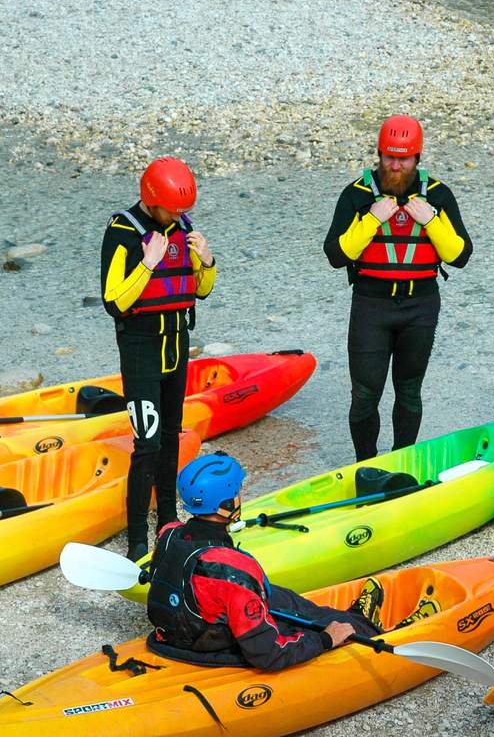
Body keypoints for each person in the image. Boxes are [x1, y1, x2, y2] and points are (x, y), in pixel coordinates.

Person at [145, 453, 422, 670]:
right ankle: (389, 633)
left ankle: (356, 618)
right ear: (226, 505)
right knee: (319, 624)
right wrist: (326, 639)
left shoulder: (169, 533)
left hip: (183, 629)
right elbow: (269, 653)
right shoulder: (234, 570)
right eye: (238, 490)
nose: (241, 494)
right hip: (213, 644)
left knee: (288, 599)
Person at [323, 115, 473, 462]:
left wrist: (431, 220)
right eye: (389, 157)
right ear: (379, 154)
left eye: (403, 159)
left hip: (420, 306)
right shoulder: (357, 195)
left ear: (417, 157)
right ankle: (366, 465)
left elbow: (460, 256)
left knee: (409, 391)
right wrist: (372, 219)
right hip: (371, 306)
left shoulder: (438, 195)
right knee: (364, 395)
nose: (395, 166)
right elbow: (335, 255)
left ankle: (401, 460)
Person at [100, 156, 217, 560]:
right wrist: (148, 264)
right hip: (141, 351)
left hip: (176, 346)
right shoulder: (122, 232)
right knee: (147, 444)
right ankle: (137, 539)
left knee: (171, 437)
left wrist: (207, 261)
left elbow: (202, 290)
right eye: (172, 209)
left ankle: (168, 519)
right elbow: (114, 301)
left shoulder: (181, 227)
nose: (178, 216)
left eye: (183, 209)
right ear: (151, 199)